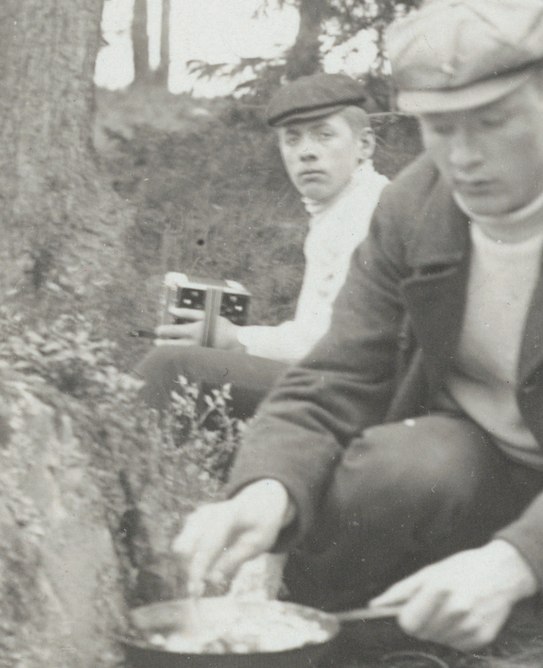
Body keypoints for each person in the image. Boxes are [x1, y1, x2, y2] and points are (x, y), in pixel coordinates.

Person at [173, 0, 543, 650]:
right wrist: (265, 491)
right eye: (439, 128)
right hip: (478, 462)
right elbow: (333, 378)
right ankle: (334, 623)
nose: (464, 158)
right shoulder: (411, 208)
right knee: (399, 470)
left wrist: (514, 563)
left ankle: (493, 578)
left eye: (493, 122)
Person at [136, 72, 389, 420]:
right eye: (292, 139)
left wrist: (236, 340)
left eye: (324, 135)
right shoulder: (341, 207)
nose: (306, 153)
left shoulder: (371, 212)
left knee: (171, 366)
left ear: (364, 145)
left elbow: (330, 345)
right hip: (350, 384)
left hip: (369, 395)